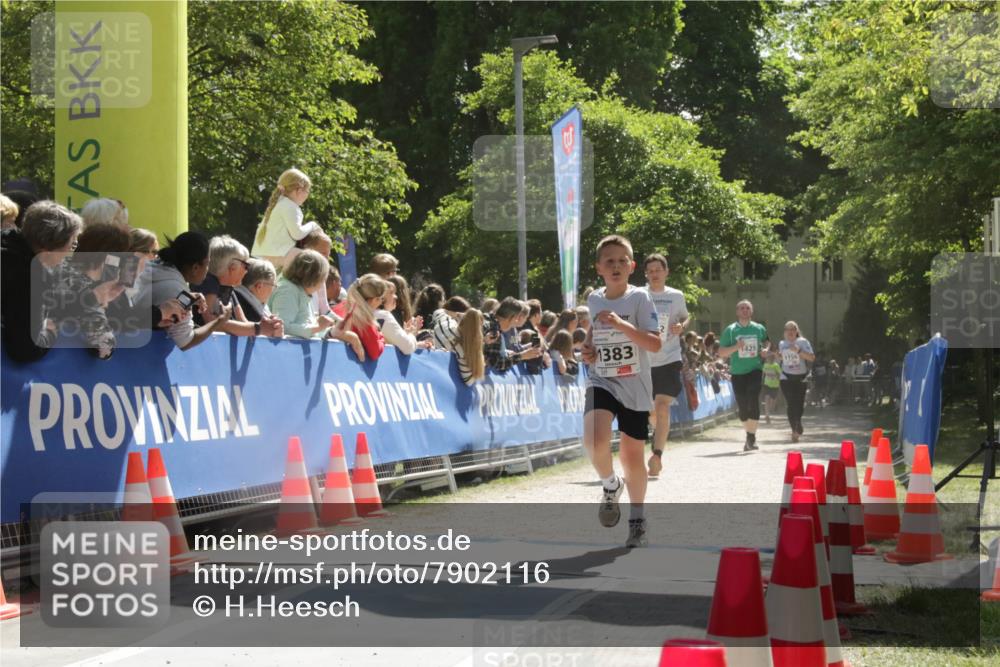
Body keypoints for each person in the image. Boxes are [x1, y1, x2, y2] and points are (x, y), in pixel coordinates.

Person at [580, 235, 661, 548]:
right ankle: (610, 485)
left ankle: (637, 519)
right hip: (602, 379)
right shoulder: (594, 299)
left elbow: (654, 343)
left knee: (631, 457)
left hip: (635, 385)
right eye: (609, 261)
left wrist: (620, 324)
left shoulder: (640, 298)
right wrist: (588, 347)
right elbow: (595, 329)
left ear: (632, 266)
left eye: (621, 261)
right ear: (599, 268)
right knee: (594, 439)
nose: (616, 266)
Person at [1, 201, 83, 361]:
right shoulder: (28, 275)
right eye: (71, 245)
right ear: (49, 246)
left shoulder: (8, 243)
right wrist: (51, 329)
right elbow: (26, 349)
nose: (70, 254)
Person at [134, 231, 231, 350]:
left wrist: (188, 296)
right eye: (207, 264)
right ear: (195, 268)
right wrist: (219, 321)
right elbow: (185, 342)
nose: (207, 269)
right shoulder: (176, 291)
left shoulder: (150, 268)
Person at [640, 253, 690, 478]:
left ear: (666, 272)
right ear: (645, 274)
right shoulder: (639, 295)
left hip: (670, 357)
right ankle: (656, 432)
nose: (654, 274)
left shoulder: (676, 296)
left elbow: (685, 318)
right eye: (650, 271)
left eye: (658, 270)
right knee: (650, 410)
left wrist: (681, 326)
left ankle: (657, 455)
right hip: (644, 360)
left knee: (662, 407)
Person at [269, 250, 362, 356]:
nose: (323, 284)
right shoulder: (287, 290)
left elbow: (307, 330)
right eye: (323, 278)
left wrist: (332, 331)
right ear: (314, 276)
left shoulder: (301, 291)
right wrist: (317, 327)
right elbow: (282, 328)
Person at [193, 235, 283, 339]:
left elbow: (244, 322)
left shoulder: (231, 290)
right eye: (246, 266)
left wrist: (270, 326)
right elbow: (211, 322)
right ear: (232, 267)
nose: (246, 271)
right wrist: (259, 329)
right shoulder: (208, 282)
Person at [718, 300, 768, 452]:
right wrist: (736, 347)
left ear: (751, 311)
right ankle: (749, 435)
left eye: (747, 308)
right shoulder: (730, 330)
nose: (745, 310)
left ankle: (751, 437)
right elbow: (721, 352)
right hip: (738, 372)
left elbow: (767, 342)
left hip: (755, 369)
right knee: (743, 407)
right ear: (737, 312)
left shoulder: (759, 328)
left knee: (753, 398)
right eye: (742, 308)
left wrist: (765, 350)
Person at [251, 168, 321, 271]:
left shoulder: (279, 203)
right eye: (307, 191)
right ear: (299, 190)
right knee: (313, 260)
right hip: (279, 253)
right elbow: (297, 234)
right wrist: (312, 225)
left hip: (266, 254)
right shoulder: (290, 206)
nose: (307, 195)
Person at [333, 273, 388, 361]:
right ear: (374, 299)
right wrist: (381, 337)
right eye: (381, 299)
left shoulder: (338, 308)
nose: (381, 302)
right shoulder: (364, 321)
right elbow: (375, 353)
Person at [778, 321, 815, 442]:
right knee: (791, 403)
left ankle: (798, 422)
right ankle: (794, 430)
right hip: (786, 377)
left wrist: (799, 351)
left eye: (793, 329)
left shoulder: (803, 342)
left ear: (796, 331)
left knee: (799, 404)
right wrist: (779, 355)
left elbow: (811, 358)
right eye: (788, 329)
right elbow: (781, 358)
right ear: (784, 332)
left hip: (801, 378)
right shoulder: (782, 343)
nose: (790, 332)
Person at [483, 297, 542, 373]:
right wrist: (522, 356)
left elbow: (497, 358)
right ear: (510, 317)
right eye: (516, 318)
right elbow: (497, 364)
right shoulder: (493, 329)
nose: (516, 321)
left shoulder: (492, 324)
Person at [375, 278, 429, 354]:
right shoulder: (383, 315)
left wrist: (405, 333)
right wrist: (412, 333)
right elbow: (407, 347)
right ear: (381, 297)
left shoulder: (374, 314)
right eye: (391, 293)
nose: (396, 297)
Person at [236, 258, 278, 322]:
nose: (273, 290)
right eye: (273, 285)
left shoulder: (235, 297)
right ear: (259, 287)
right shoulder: (248, 311)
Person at [762, 351, 781, 424]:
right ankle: (767, 415)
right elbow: (763, 374)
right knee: (767, 398)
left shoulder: (776, 365)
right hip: (767, 384)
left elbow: (779, 375)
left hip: (775, 385)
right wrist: (762, 380)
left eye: (770, 358)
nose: (768, 359)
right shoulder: (765, 365)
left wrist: (776, 376)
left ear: (773, 359)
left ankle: (769, 411)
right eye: (767, 358)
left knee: (772, 401)